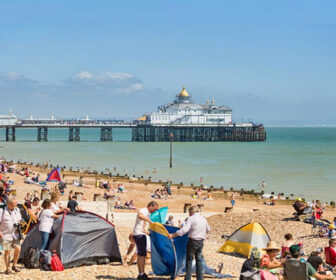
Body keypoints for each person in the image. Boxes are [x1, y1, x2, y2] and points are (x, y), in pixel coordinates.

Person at [169, 206, 210, 280]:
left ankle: (188, 278)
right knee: (199, 260)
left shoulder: (191, 218)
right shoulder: (203, 218)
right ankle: (200, 278)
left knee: (189, 260)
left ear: (191, 211)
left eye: (189, 212)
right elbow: (208, 229)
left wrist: (174, 235)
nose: (189, 214)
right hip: (201, 241)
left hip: (193, 241)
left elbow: (185, 230)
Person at [132, 201, 159, 280]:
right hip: (139, 234)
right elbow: (139, 215)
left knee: (141, 255)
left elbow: (143, 224)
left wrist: (147, 231)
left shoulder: (148, 213)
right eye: (155, 209)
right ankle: (141, 274)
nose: (155, 211)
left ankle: (141, 273)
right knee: (142, 255)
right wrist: (149, 221)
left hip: (141, 234)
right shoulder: (144, 210)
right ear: (151, 206)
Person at [0, 198, 22, 274]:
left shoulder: (17, 210)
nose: (14, 206)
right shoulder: (2, 211)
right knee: (7, 251)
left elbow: (19, 219)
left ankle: (14, 265)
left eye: (16, 204)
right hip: (5, 234)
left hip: (15, 234)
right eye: (13, 205)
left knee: (18, 248)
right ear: (8, 204)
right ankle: (8, 268)